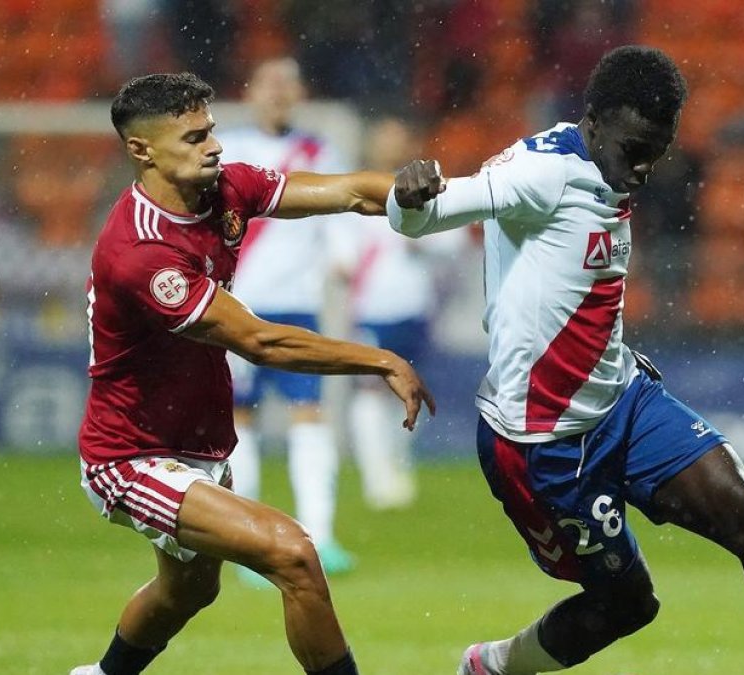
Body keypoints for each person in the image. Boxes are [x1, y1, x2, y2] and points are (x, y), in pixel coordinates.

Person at [388, 46, 744, 675]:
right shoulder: (540, 174)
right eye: (633, 148)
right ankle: (491, 668)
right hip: (542, 443)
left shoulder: (609, 161)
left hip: (624, 402)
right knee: (627, 604)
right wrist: (406, 194)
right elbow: (420, 217)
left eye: (657, 150)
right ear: (593, 122)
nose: (643, 168)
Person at [69, 72, 438, 675]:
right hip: (131, 456)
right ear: (142, 151)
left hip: (201, 446)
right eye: (192, 138)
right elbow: (259, 341)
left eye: (210, 131)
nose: (213, 147)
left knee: (189, 591)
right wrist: (379, 359)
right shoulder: (141, 253)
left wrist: (416, 192)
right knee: (292, 554)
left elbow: (345, 192)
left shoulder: (223, 188)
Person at [215, 57, 357, 578]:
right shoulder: (225, 148)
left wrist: (344, 257)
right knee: (238, 419)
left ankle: (319, 535)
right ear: (250, 90)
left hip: (297, 308)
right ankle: (248, 543)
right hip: (235, 307)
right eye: (268, 83)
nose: (277, 93)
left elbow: (341, 216)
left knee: (309, 417)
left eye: (286, 84)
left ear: (299, 93)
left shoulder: (320, 151)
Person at [338, 116, 472, 510]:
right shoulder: (357, 186)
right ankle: (376, 475)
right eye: (384, 138)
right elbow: (338, 242)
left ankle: (398, 464)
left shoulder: (427, 186)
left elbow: (457, 238)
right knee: (369, 388)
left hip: (413, 307)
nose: (391, 146)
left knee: (409, 386)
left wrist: (425, 244)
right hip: (369, 308)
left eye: (397, 138)